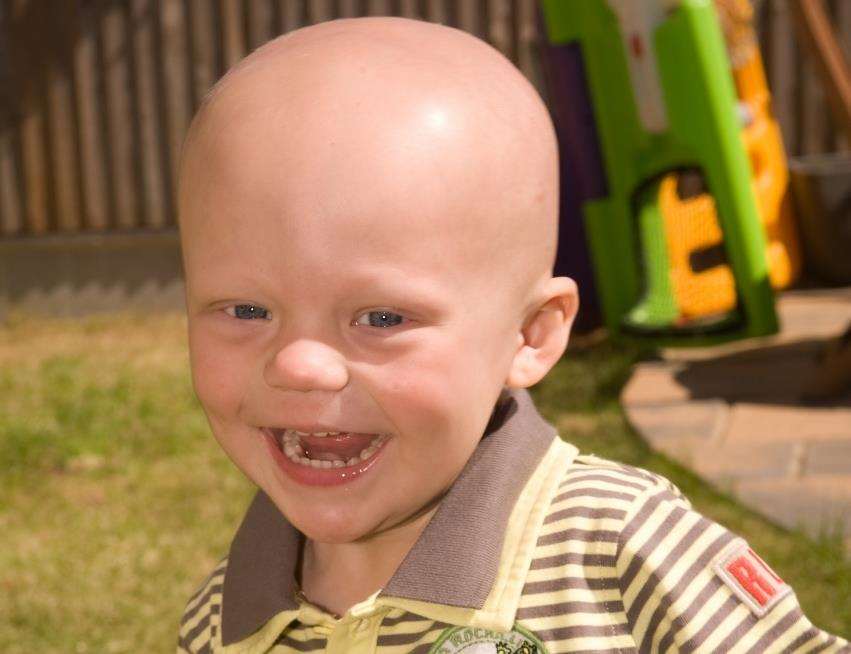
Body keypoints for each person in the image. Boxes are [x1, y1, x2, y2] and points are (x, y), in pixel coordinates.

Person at [176, 16, 848, 654]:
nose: (299, 366)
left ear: (529, 335)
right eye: (244, 310)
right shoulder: (222, 619)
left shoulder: (621, 552)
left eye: (381, 318)